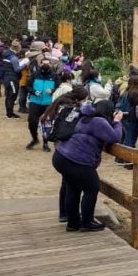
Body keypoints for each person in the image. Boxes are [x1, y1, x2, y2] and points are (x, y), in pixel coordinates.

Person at [52, 99, 123, 231]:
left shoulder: (85, 117)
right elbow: (115, 137)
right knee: (92, 188)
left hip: (61, 156)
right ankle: (87, 222)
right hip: (76, 159)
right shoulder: (99, 121)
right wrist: (117, 122)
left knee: (73, 188)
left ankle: (73, 223)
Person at [42, 85, 89, 222]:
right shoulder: (68, 106)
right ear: (79, 98)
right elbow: (69, 125)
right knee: (67, 181)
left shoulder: (62, 100)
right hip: (63, 143)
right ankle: (65, 213)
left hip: (58, 141)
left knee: (66, 181)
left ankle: (65, 212)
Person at [26, 56, 58, 151]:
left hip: (48, 103)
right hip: (35, 101)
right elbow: (28, 86)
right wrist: (33, 91)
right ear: (40, 64)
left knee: (46, 123)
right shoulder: (34, 75)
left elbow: (59, 86)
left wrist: (52, 90)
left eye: (47, 63)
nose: (45, 65)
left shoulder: (54, 76)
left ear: (50, 65)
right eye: (43, 63)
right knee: (32, 122)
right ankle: (35, 139)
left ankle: (45, 143)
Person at [0, 40, 23, 118]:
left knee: (9, 95)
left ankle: (9, 112)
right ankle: (10, 113)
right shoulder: (13, 57)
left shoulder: (6, 54)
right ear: (17, 47)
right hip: (12, 78)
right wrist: (24, 65)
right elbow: (17, 69)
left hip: (7, 77)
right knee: (12, 95)